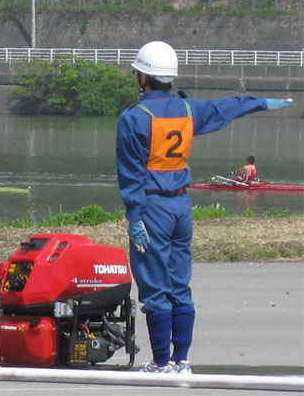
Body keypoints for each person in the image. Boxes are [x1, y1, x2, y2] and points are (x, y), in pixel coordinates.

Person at [115, 41, 292, 374]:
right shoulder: (187, 109)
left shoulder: (134, 118)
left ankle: (161, 362)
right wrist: (259, 102)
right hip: (182, 206)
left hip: (153, 207)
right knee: (180, 286)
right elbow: (225, 107)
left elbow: (131, 175)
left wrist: (135, 218)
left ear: (144, 78)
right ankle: (182, 361)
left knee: (155, 289)